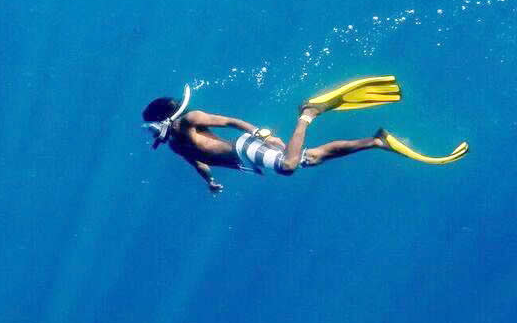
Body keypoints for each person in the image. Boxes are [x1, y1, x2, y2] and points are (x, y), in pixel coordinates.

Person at [142, 76, 467, 193]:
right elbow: (198, 162)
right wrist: (209, 181)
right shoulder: (175, 145)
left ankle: (307, 114)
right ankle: (376, 141)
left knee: (288, 166)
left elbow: (230, 121)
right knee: (310, 158)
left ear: (164, 118)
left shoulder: (190, 120)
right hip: (246, 159)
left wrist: (259, 132)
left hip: (244, 147)